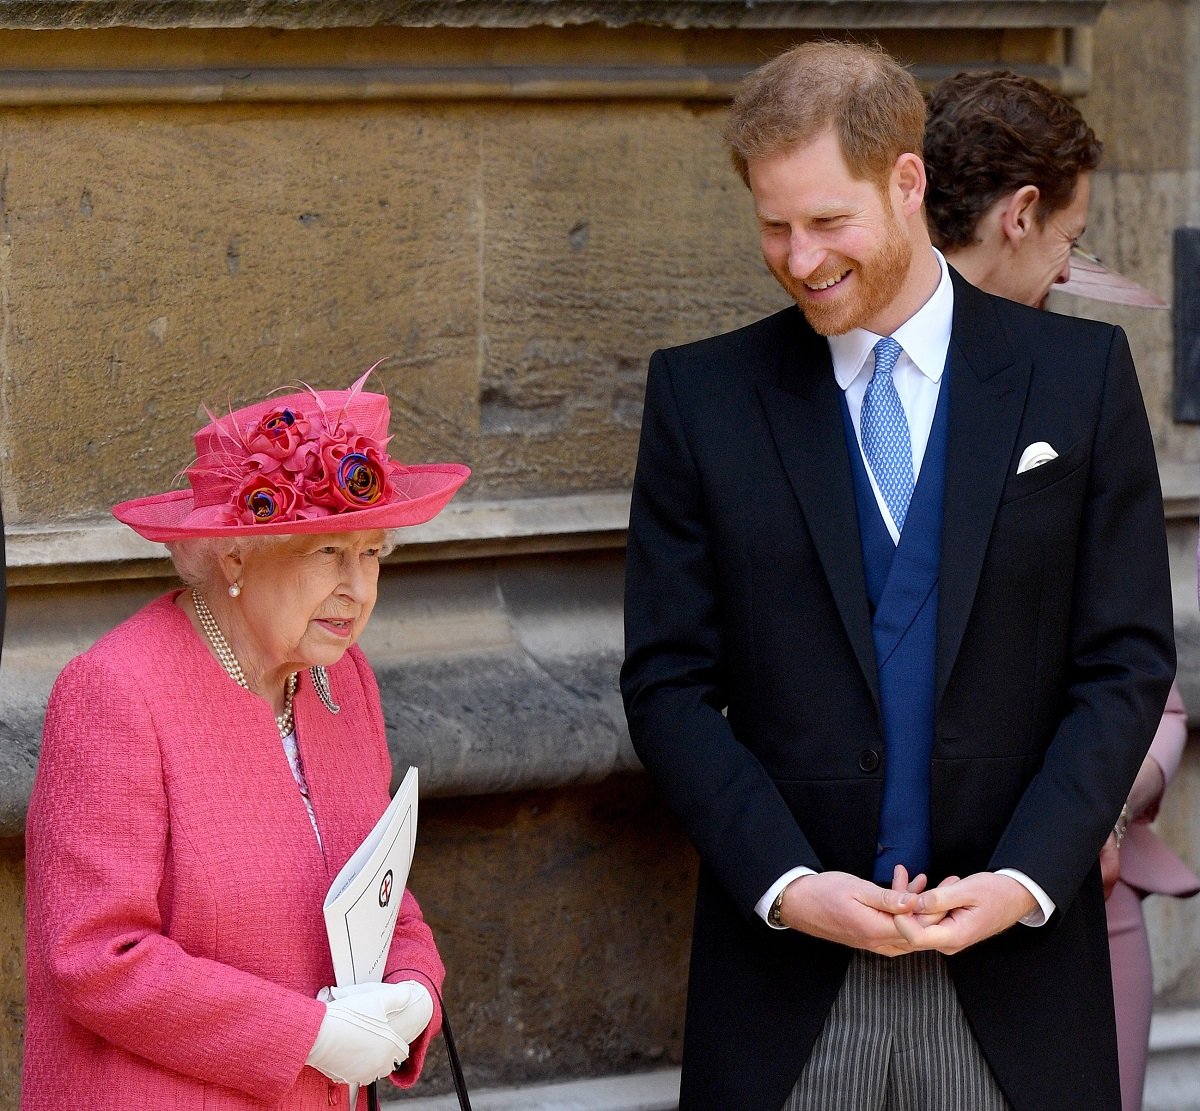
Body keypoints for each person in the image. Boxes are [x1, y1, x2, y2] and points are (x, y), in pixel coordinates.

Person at [620, 40, 1176, 1111]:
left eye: (829, 222)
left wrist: (1025, 878)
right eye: (774, 225)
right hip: (787, 984)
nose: (798, 256)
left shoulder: (1076, 379)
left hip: (1015, 977)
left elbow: (1126, 660)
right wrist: (789, 887)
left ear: (908, 181)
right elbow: (668, 686)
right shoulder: (703, 399)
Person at [22, 370, 470, 1110]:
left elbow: (378, 887)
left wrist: (413, 989)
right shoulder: (115, 692)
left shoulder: (342, 680)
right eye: (328, 552)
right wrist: (309, 1034)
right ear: (234, 557)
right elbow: (96, 957)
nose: (358, 588)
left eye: (372, 553)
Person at [924, 68, 1200, 1111]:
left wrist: (1078, 818)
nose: (1070, 270)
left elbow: (1141, 666)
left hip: (1069, 899)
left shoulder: (1086, 374)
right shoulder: (823, 378)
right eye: (1070, 242)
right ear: (1021, 213)